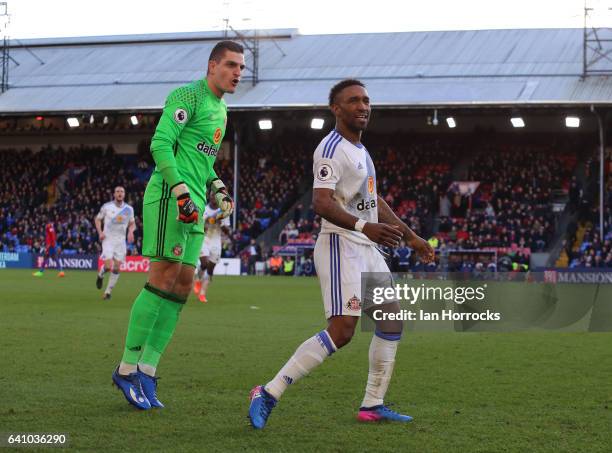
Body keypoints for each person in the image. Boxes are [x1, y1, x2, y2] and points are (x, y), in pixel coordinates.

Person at [248, 79, 434, 429]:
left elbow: (372, 202)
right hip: (340, 245)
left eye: (366, 100)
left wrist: (412, 238)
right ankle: (268, 392)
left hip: (366, 247)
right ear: (336, 108)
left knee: (391, 320)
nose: (363, 106)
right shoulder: (330, 148)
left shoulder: (361, 151)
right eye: (353, 101)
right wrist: (365, 228)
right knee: (342, 330)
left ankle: (373, 404)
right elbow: (320, 203)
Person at [111, 40, 244, 410]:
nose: (237, 73)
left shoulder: (221, 109)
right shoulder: (187, 96)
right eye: (231, 65)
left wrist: (217, 188)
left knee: (184, 285)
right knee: (163, 278)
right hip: (171, 197)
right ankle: (126, 368)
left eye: (241, 68)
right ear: (212, 65)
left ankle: (148, 370)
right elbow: (160, 144)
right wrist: (183, 191)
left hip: (195, 203)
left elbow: (204, 162)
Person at [95, 186, 136, 300]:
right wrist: (100, 232)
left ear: (124, 194)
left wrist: (131, 232)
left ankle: (108, 292)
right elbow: (97, 219)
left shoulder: (129, 209)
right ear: (114, 194)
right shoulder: (107, 207)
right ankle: (101, 274)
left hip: (121, 241)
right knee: (108, 266)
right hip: (108, 239)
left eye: (122, 191)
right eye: (117, 191)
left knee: (117, 268)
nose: (119, 193)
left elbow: (132, 223)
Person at [193, 194, 231, 303]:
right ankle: (198, 279)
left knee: (210, 269)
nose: (213, 198)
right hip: (204, 239)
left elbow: (227, 231)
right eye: (212, 196)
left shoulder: (223, 211)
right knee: (204, 264)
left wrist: (222, 224)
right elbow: (197, 224)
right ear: (209, 197)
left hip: (216, 241)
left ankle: (202, 293)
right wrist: (209, 220)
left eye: (215, 197)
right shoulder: (203, 208)